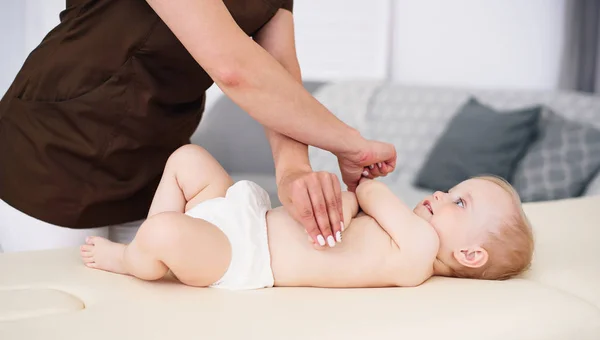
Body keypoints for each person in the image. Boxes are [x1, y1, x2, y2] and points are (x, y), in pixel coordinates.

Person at [0, 0, 396, 253]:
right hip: (53, 151)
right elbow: (233, 66)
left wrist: (293, 169)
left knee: (153, 330)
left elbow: (278, 72)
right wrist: (350, 144)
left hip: (156, 164)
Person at [80, 144, 535, 289]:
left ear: (470, 254)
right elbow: (355, 202)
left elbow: (369, 191)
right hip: (248, 216)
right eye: (453, 191)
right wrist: (350, 201)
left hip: (239, 256)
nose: (441, 193)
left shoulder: (419, 251)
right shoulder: (404, 235)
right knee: (187, 157)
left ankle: (134, 259)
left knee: (164, 231)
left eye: (459, 203)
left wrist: (358, 191)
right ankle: (155, 249)